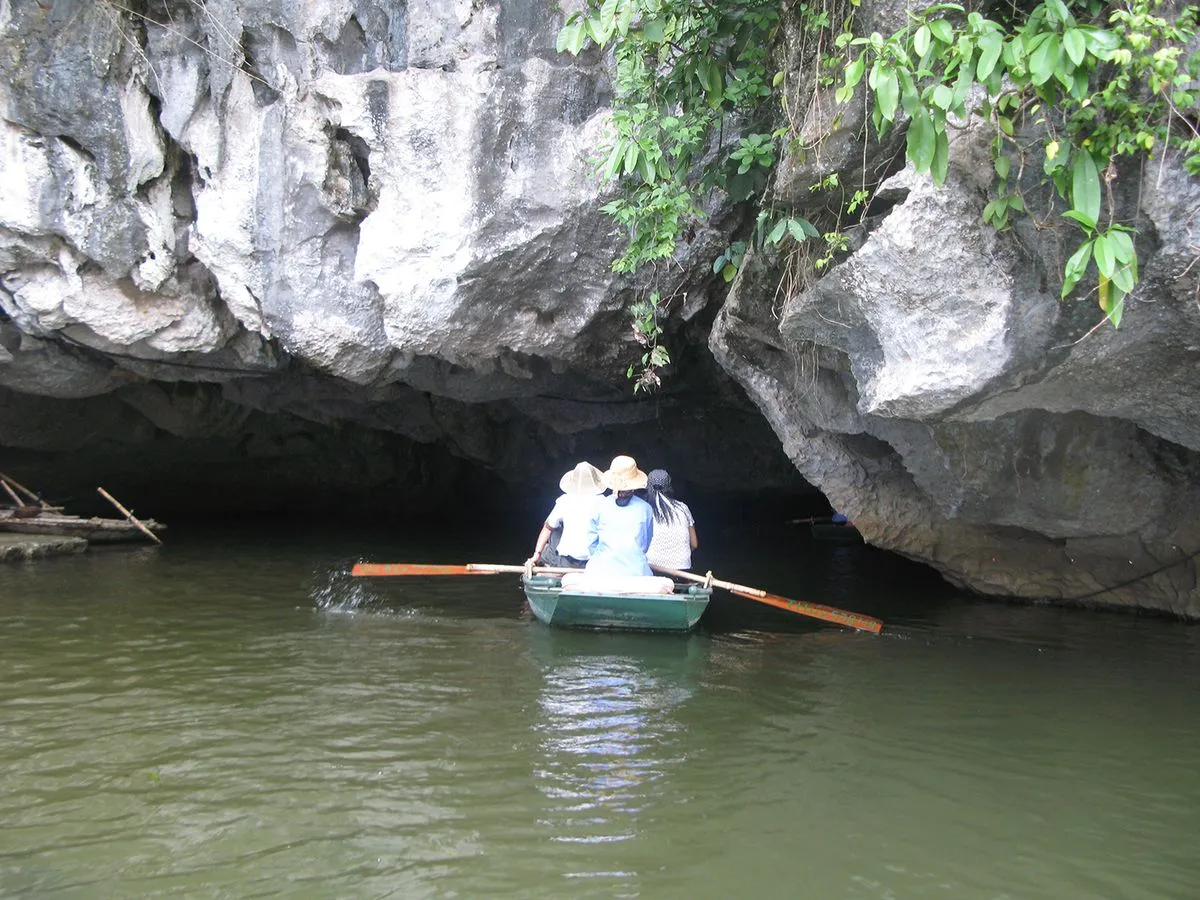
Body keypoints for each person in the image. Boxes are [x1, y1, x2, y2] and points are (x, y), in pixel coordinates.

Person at [584, 455, 654, 577]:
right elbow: (645, 544)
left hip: (600, 571)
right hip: (636, 572)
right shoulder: (645, 509)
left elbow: (591, 544)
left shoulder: (599, 506)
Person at [528, 461, 606, 568]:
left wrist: (537, 554)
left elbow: (547, 528)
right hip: (594, 559)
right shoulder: (603, 502)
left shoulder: (564, 501)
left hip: (567, 560)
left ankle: (548, 562)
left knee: (554, 526)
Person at [643, 469, 698, 571]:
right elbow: (694, 544)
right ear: (669, 487)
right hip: (682, 570)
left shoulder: (644, 509)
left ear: (648, 487)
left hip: (652, 569)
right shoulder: (683, 508)